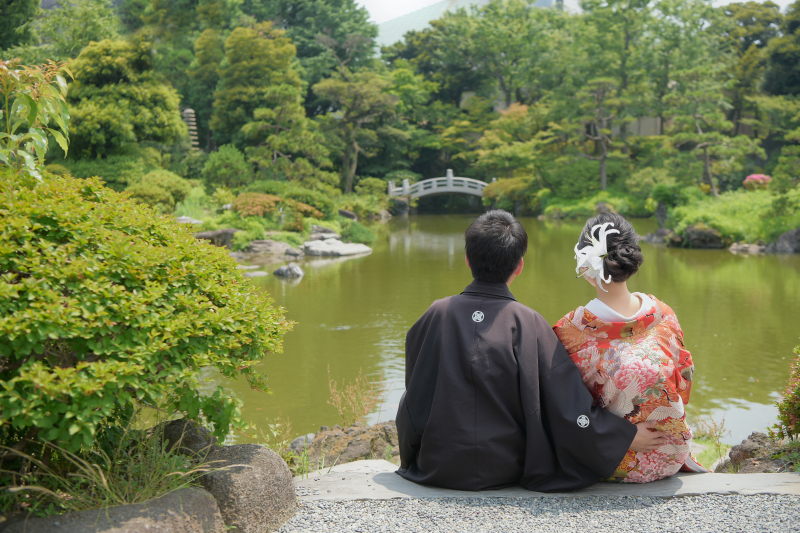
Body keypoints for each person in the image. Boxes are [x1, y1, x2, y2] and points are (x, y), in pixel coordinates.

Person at [396, 210, 667, 492]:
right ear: (520, 266)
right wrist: (622, 437)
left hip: (436, 463)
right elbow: (567, 409)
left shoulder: (435, 314)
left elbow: (417, 393)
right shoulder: (528, 323)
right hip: (505, 466)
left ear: (467, 260)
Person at [553, 212, 705, 483]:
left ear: (585, 264)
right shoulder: (663, 314)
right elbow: (685, 382)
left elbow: (565, 409)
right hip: (671, 453)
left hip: (611, 461)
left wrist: (623, 432)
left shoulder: (570, 330)